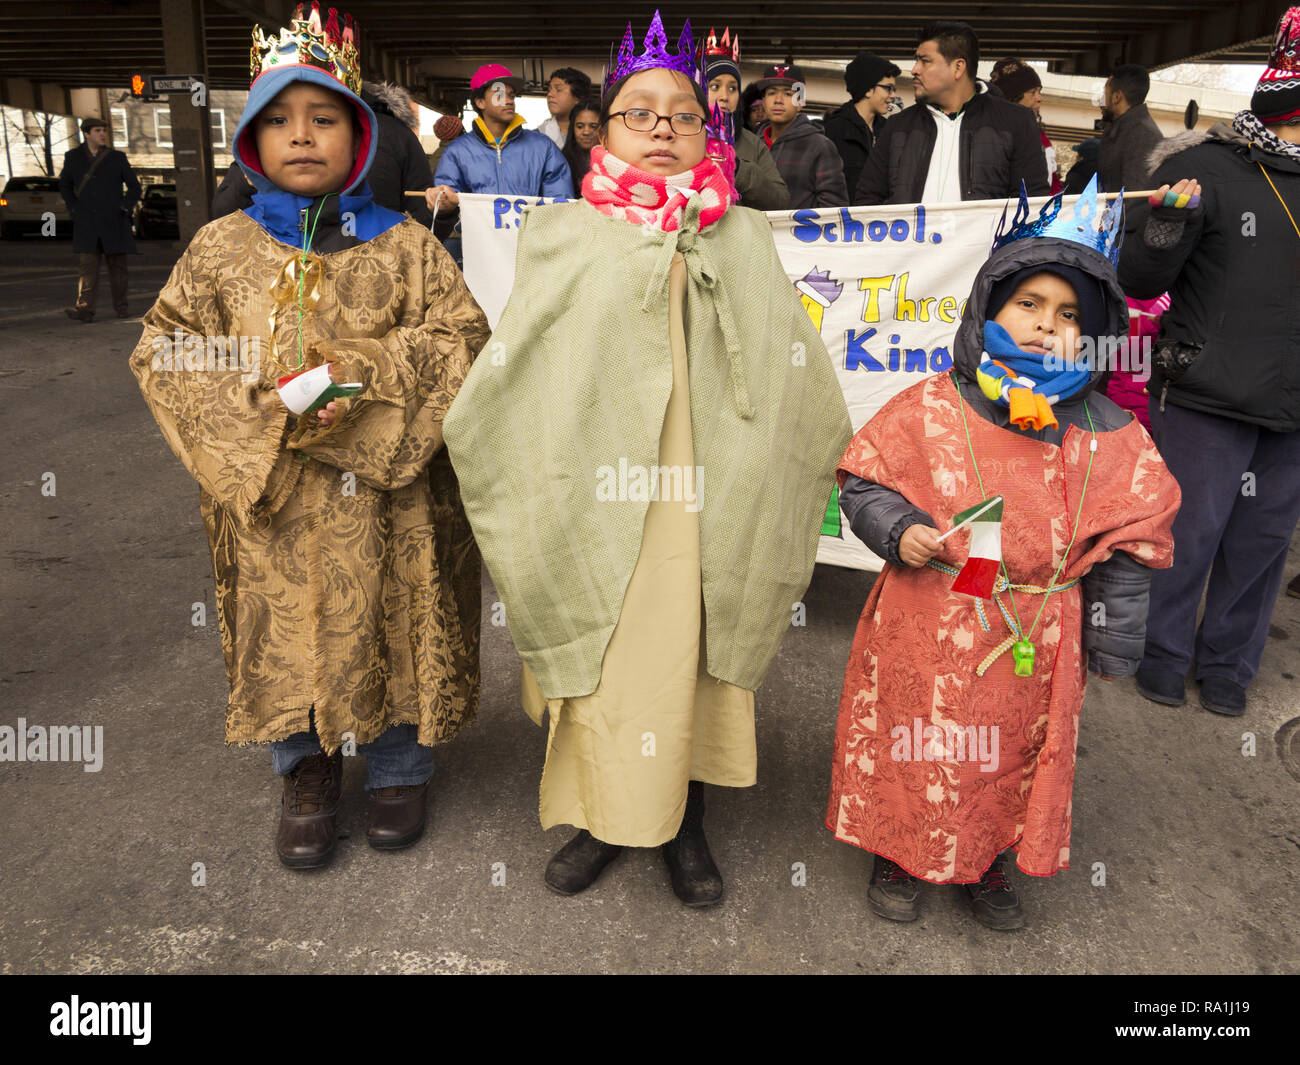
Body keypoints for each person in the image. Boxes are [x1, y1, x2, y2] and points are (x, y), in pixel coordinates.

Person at [442, 11, 851, 908]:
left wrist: (769, 469)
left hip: (707, 499)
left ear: (707, 131)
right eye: (639, 112)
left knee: (694, 652)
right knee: (612, 650)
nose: (662, 127)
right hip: (599, 498)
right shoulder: (565, 235)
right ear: (602, 128)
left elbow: (797, 381)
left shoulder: (742, 239)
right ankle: (601, 815)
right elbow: (517, 382)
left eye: (681, 114)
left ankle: (684, 817)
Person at [128, 3, 490, 869]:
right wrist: (260, 406)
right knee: (281, 623)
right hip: (273, 494)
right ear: (251, 140)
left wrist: (363, 374)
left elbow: (463, 338)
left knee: (398, 612)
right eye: (279, 120)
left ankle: (400, 764)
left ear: (360, 135)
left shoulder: (407, 245)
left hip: (388, 497)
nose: (302, 136)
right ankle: (306, 767)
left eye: (323, 118)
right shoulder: (217, 250)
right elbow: (168, 347)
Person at [827, 179, 1181, 930]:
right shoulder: (932, 404)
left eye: (1068, 315)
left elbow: (1130, 542)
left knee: (1008, 752)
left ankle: (985, 860)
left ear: (1096, 334)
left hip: (1032, 635)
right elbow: (864, 480)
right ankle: (901, 848)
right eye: (1029, 303)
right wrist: (897, 528)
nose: (1045, 325)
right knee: (919, 740)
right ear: (989, 306)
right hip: (932, 612)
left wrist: (1114, 641)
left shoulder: (1109, 432)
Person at [1120, 6, 1300, 718]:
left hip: (1292, 408)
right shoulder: (1206, 167)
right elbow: (1138, 278)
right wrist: (1167, 225)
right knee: (1187, 530)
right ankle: (1161, 650)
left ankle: (1228, 662)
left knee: (1261, 545)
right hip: (1206, 392)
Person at [854, 21, 1049, 205]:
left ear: (958, 67)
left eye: (925, 61)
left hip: (988, 242)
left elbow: (1030, 205)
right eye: (916, 61)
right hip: (905, 241)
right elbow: (868, 201)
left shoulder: (1016, 123)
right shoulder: (897, 127)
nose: (914, 70)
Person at [426, 63, 572, 264]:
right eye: (499, 94)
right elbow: (445, 207)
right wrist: (443, 205)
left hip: (531, 258)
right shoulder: (456, 152)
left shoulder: (543, 147)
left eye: (511, 95)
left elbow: (560, 205)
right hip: (477, 259)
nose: (509, 100)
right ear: (480, 102)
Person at [57, 116, 140, 322]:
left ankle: (121, 307)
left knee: (118, 270)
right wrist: (74, 207)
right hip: (87, 223)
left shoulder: (117, 157)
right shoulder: (73, 157)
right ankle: (85, 310)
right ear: (86, 134)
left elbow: (134, 187)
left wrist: (124, 208)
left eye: (103, 130)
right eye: (97, 131)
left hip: (114, 221)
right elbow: (64, 185)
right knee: (87, 270)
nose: (102, 134)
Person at [701, 26, 789, 210]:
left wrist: (738, 168)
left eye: (732, 88)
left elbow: (780, 202)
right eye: (715, 86)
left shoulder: (752, 143)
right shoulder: (676, 135)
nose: (725, 96)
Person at [754, 63, 848, 208]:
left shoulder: (820, 146)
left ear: (800, 102)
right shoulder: (751, 143)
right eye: (772, 93)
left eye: (788, 94)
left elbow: (834, 208)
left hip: (797, 230)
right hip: (753, 229)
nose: (778, 100)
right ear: (764, 101)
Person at [823, 50, 901, 198]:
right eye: (888, 88)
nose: (893, 95)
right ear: (868, 89)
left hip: (882, 220)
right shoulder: (834, 131)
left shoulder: (890, 131)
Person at [360, 79, 434, 226]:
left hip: (321, 243)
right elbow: (422, 209)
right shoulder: (400, 133)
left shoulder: (315, 135)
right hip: (390, 241)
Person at [989, 56, 1063, 194]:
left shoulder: (1040, 136)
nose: (1039, 98)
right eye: (1032, 92)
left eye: (1039, 91)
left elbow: (1054, 184)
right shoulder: (990, 136)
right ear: (1012, 96)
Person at [1098, 63, 1164, 193]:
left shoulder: (1143, 135)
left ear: (1117, 97)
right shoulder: (1123, 129)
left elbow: (1133, 199)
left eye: (1105, 94)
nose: (1101, 101)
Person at [538, 66, 593, 149]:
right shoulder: (537, 135)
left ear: (578, 97)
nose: (550, 94)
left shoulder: (595, 136)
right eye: (549, 90)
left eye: (558, 89)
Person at [562, 96, 601, 193]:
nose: (586, 132)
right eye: (580, 126)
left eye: (593, 126)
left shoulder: (613, 161)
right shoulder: (561, 161)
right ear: (572, 129)